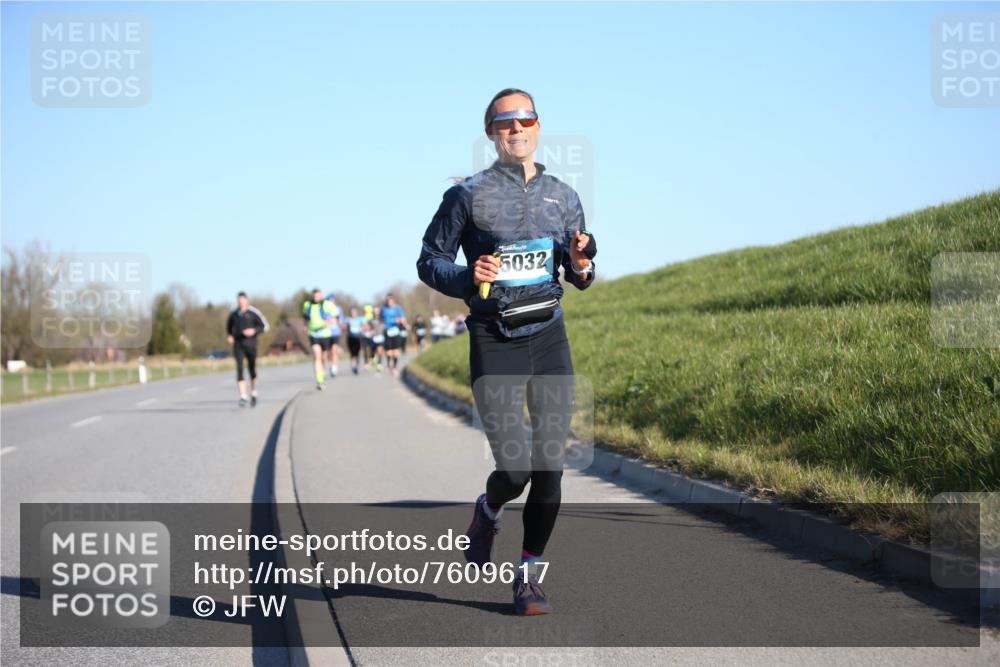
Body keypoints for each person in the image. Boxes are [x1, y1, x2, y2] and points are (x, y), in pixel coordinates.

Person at [417, 88, 597, 616]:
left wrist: (584, 264)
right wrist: (467, 276)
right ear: (491, 133)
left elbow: (578, 271)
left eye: (526, 119)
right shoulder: (467, 196)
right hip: (493, 339)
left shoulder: (563, 195)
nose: (516, 129)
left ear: (539, 127)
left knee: (549, 467)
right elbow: (429, 261)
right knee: (515, 469)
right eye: (504, 122)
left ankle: (528, 577)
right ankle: (488, 507)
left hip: (549, 337)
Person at [225, 291, 270, 407]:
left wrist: (254, 331)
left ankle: (254, 392)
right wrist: (230, 336)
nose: (241, 303)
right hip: (238, 345)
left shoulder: (254, 313)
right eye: (239, 301)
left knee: (251, 369)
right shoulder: (234, 314)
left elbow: (265, 327)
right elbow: (229, 329)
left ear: (246, 301)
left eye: (243, 301)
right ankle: (243, 396)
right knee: (239, 368)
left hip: (251, 345)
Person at [302, 288, 337, 390]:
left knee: (323, 357)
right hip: (313, 333)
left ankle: (323, 371)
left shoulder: (327, 304)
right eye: (314, 296)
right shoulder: (307, 305)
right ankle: (319, 379)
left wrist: (329, 322)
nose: (316, 297)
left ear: (321, 296)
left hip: (325, 334)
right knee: (317, 355)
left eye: (318, 296)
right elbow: (305, 316)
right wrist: (305, 325)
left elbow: (336, 316)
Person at [379, 293, 408, 378]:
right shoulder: (383, 309)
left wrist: (403, 323)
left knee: (395, 350)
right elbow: (380, 318)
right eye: (388, 300)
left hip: (395, 331)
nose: (389, 301)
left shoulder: (397, 308)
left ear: (393, 300)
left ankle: (395, 367)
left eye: (390, 299)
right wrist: (382, 324)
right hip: (387, 331)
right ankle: (389, 363)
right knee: (388, 351)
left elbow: (403, 318)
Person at [325, 293, 345, 378]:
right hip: (326, 333)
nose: (332, 302)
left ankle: (334, 367)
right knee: (326, 352)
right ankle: (325, 367)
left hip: (335, 333)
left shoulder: (338, 309)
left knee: (334, 350)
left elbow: (341, 320)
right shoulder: (324, 309)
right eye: (330, 300)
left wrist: (341, 325)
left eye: (333, 300)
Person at [346, 306, 367, 375]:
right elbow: (342, 326)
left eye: (354, 312)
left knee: (357, 352)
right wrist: (348, 324)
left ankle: (356, 366)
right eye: (352, 312)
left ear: (356, 313)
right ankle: (353, 365)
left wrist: (362, 328)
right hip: (350, 338)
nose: (353, 314)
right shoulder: (348, 319)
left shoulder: (360, 319)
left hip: (358, 338)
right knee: (352, 353)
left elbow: (365, 326)